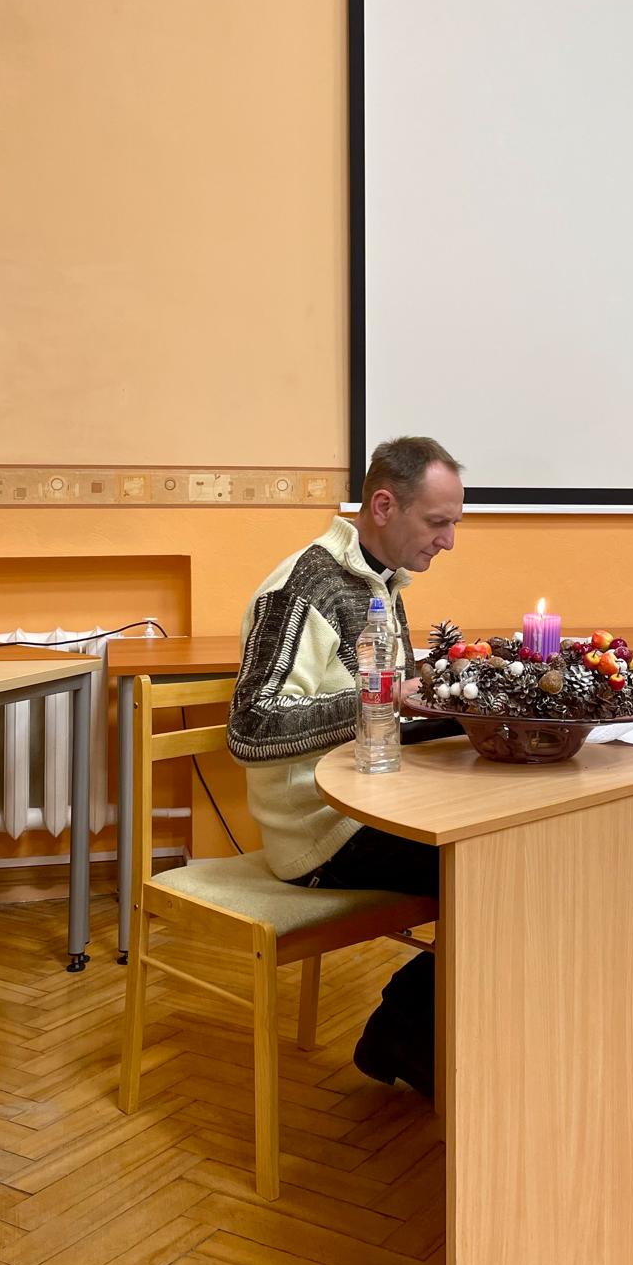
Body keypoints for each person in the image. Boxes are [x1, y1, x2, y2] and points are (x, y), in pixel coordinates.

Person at [227, 435, 465, 1098]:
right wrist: (384, 697)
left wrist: (454, 698)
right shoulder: (302, 588)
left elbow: (383, 711)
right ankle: (406, 1030)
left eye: (454, 524)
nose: (448, 541)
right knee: (496, 867)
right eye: (437, 522)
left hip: (375, 804)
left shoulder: (378, 581)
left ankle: (417, 1032)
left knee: (510, 847)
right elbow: (252, 726)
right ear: (384, 506)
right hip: (322, 832)